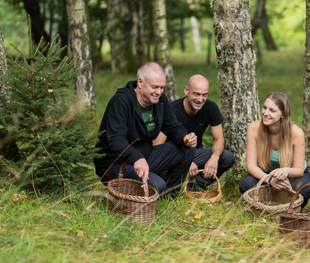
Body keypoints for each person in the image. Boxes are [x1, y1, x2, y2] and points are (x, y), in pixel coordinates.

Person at [94, 62, 196, 196]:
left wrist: (185, 138)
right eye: (155, 87)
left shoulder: (161, 101)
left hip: (144, 158)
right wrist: (136, 158)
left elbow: (173, 127)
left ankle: (170, 195)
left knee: (187, 149)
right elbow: (115, 139)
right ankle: (155, 189)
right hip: (116, 164)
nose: (159, 92)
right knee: (157, 185)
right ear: (140, 82)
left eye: (161, 87)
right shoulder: (121, 101)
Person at [154, 74, 235, 188]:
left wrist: (214, 158)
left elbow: (219, 139)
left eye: (204, 95)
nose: (200, 99)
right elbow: (157, 146)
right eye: (196, 94)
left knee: (227, 157)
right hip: (172, 158)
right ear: (186, 91)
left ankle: (195, 186)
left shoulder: (210, 108)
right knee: (161, 178)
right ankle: (174, 186)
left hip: (195, 154)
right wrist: (186, 162)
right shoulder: (171, 110)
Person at [239, 92, 310, 207]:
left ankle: (290, 208)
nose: (265, 113)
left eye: (272, 110)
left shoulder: (296, 133)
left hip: (292, 174)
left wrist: (286, 171)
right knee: (246, 184)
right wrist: (269, 180)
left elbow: (299, 169)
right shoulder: (253, 128)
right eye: (264, 108)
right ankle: (267, 204)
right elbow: (251, 166)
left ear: (283, 114)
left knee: (303, 190)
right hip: (268, 174)